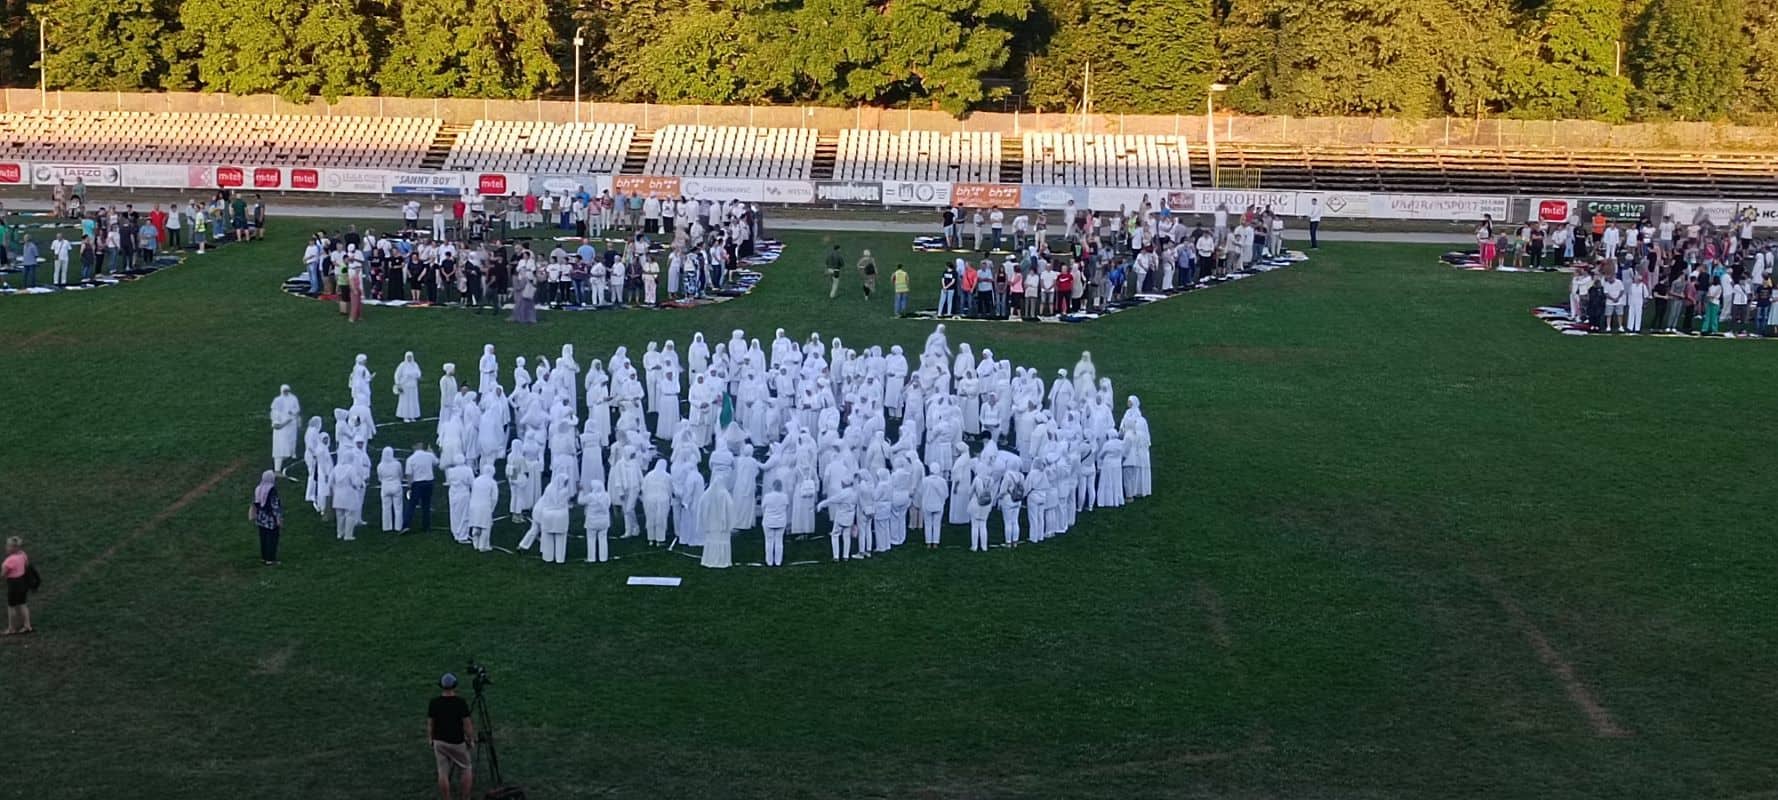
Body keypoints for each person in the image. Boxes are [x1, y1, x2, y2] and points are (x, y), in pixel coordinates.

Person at [427, 673, 475, 800]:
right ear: (455, 686)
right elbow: (467, 725)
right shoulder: (460, 703)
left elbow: (431, 724)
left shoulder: (434, 703)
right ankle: (465, 797)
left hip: (439, 742)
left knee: (442, 772)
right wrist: (470, 739)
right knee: (466, 768)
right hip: (457, 742)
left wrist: (431, 739)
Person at [249, 470, 283, 565]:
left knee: (263, 538)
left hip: (260, 518)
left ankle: (264, 557)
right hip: (270, 519)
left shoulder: (258, 488)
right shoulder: (272, 490)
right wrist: (278, 519)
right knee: (272, 539)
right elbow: (275, 506)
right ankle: (270, 559)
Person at [404, 443, 438, 532]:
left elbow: (409, 474)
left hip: (417, 484)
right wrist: (431, 451)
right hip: (429, 483)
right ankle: (426, 527)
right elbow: (437, 462)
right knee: (426, 505)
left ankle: (406, 525)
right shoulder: (429, 455)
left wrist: (409, 486)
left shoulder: (410, 459)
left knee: (411, 505)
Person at [2, 537, 32, 636]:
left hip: (13, 584)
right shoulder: (23, 554)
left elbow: (2, 574)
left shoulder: (9, 561)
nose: (5, 547)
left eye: (7, 545)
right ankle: (27, 626)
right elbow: (27, 565)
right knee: (23, 604)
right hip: (23, 582)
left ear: (13, 548)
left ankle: (11, 628)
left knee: (11, 606)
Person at [269, 385, 302, 473]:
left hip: (291, 427)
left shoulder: (293, 398)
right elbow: (277, 425)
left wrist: (294, 415)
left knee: (290, 442)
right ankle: (277, 470)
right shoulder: (276, 409)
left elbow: (297, 409)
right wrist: (286, 422)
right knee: (281, 449)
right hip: (281, 432)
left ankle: (290, 455)